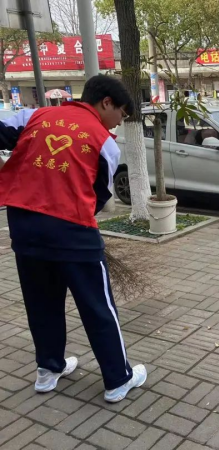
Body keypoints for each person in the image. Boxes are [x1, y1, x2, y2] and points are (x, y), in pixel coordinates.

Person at [0, 75, 146, 403]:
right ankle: (117, 379)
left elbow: (2, 131)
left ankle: (48, 371)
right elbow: (97, 197)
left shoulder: (32, 116)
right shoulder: (104, 142)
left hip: (24, 226)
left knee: (41, 302)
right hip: (72, 233)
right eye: (122, 112)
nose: (121, 121)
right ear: (106, 102)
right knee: (98, 307)